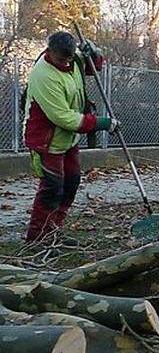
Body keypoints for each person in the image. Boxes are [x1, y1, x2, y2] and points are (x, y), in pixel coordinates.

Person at [23, 31, 117, 242]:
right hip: (46, 141)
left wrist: (94, 52)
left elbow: (95, 67)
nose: (66, 63)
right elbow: (64, 118)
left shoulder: (73, 58)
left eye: (69, 58)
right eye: (61, 59)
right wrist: (101, 123)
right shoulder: (44, 75)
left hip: (67, 139)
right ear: (49, 51)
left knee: (71, 183)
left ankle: (55, 230)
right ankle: (38, 237)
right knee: (51, 189)